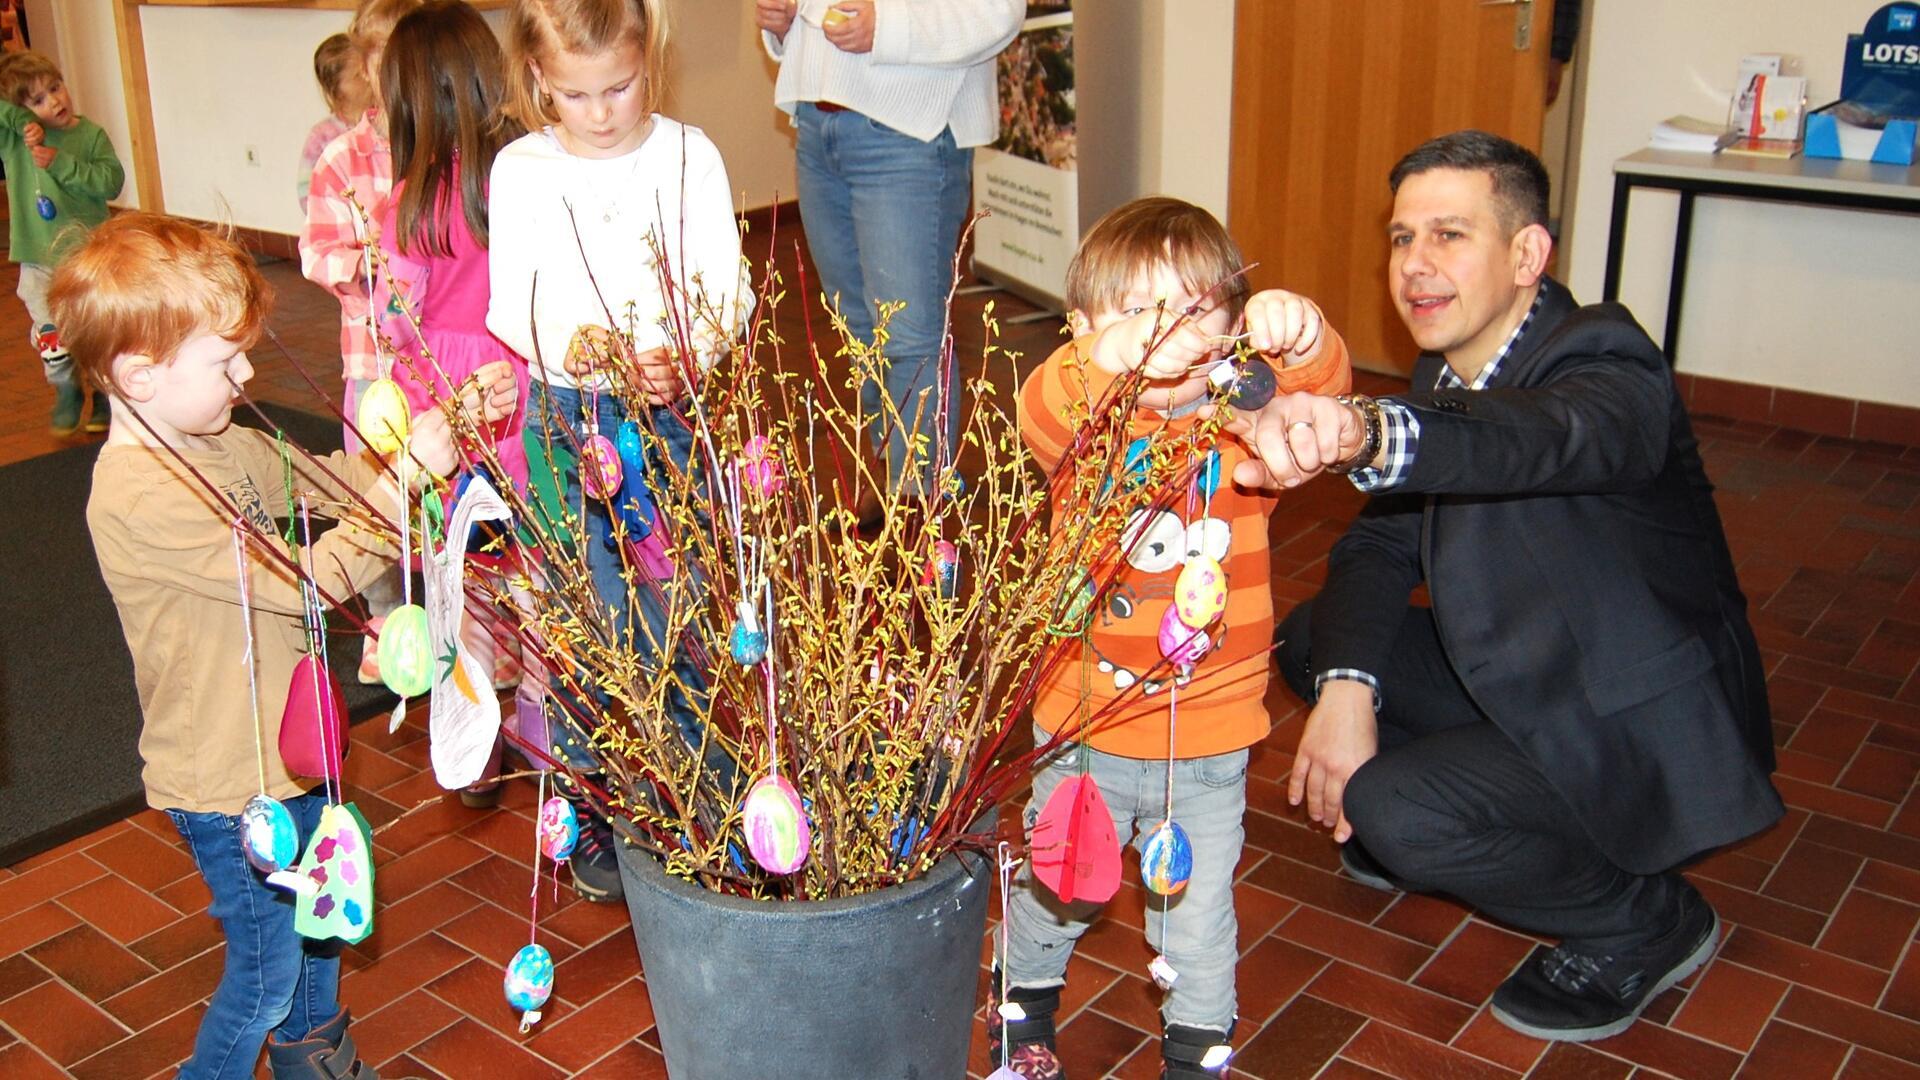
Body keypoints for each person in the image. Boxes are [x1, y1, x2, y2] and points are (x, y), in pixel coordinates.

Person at [1222, 131, 1781, 1043]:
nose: (1415, 266)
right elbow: (1379, 549)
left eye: (1449, 235)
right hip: (1526, 672)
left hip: (1631, 717)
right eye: (1403, 238)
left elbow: (1534, 436)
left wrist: (1365, 433)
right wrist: (1347, 693)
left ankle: (1643, 919)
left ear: (1527, 255)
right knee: (1317, 641)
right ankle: (1453, 800)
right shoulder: (1449, 367)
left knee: (1392, 810)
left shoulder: (1606, 360)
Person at [54, 211, 516, 1080]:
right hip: (227, 782)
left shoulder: (212, 439)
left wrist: (442, 428)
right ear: (140, 374)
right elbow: (297, 580)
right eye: (223, 361)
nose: (246, 373)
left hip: (287, 749)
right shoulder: (136, 497)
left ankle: (314, 1058)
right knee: (265, 973)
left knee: (321, 915)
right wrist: (403, 488)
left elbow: (329, 481)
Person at [999, 198, 1351, 1079]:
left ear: (1231, 334)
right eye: (1137, 315)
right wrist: (1100, 359)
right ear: (1083, 329)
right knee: (1057, 891)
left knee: (1196, 917)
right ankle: (1023, 1004)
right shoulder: (1087, 430)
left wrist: (1303, 340)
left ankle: (1198, 1052)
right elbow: (1040, 406)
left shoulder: (1245, 434)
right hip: (1082, 728)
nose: (1168, 336)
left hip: (1208, 740)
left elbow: (1323, 408)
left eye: (1196, 312)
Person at [490, 0, 749, 903]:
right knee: (589, 613)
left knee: (678, 598)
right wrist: (585, 347)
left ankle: (685, 776)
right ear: (537, 82)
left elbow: (728, 286)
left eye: (620, 87)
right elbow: (509, 304)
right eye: (575, 94)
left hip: (669, 422)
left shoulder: (688, 155)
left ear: (653, 62)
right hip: (567, 419)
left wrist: (689, 350)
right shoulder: (521, 169)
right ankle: (593, 794)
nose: (600, 112)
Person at [755, 0, 1023, 527]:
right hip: (817, 121)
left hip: (910, 133)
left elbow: (1000, 13)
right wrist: (784, 24)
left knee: (907, 336)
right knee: (861, 331)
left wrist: (888, 27)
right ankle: (895, 486)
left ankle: (920, 516)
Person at [377, 0, 533, 802]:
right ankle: (548, 724)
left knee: (463, 579)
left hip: (451, 403)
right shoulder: (523, 174)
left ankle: (476, 735)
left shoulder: (410, 204)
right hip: (521, 386)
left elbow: (396, 322)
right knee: (538, 567)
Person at [301, 0, 422, 682]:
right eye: (384, 60)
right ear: (366, 68)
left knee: (439, 493)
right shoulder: (343, 158)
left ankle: (459, 616)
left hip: (438, 370)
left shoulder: (442, 146)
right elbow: (315, 252)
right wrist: (367, 262)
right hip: (373, 367)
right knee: (375, 494)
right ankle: (382, 620)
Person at [0, 49, 125, 435]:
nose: (54, 101)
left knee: (93, 330)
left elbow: (110, 181)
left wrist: (60, 163)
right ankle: (66, 389)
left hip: (85, 257)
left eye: (55, 88)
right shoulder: (15, 139)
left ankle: (104, 393)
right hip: (38, 258)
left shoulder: (89, 135)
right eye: (38, 99)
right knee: (52, 336)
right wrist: (23, 119)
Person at [296, 33, 373, 211]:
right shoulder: (322, 136)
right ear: (337, 90)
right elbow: (306, 193)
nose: (367, 79)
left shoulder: (381, 126)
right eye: (357, 76)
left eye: (367, 70)